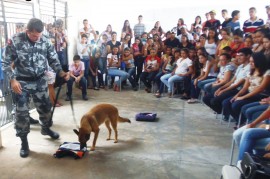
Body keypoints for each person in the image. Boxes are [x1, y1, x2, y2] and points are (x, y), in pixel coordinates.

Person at [2, 18, 69, 158]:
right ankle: (24, 142)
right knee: (21, 114)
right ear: (27, 31)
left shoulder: (44, 40)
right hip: (21, 83)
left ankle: (46, 129)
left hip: (40, 81)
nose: (37, 39)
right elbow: (6, 62)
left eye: (39, 36)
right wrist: (12, 80)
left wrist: (61, 72)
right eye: (34, 36)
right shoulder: (15, 40)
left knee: (46, 109)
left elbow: (53, 58)